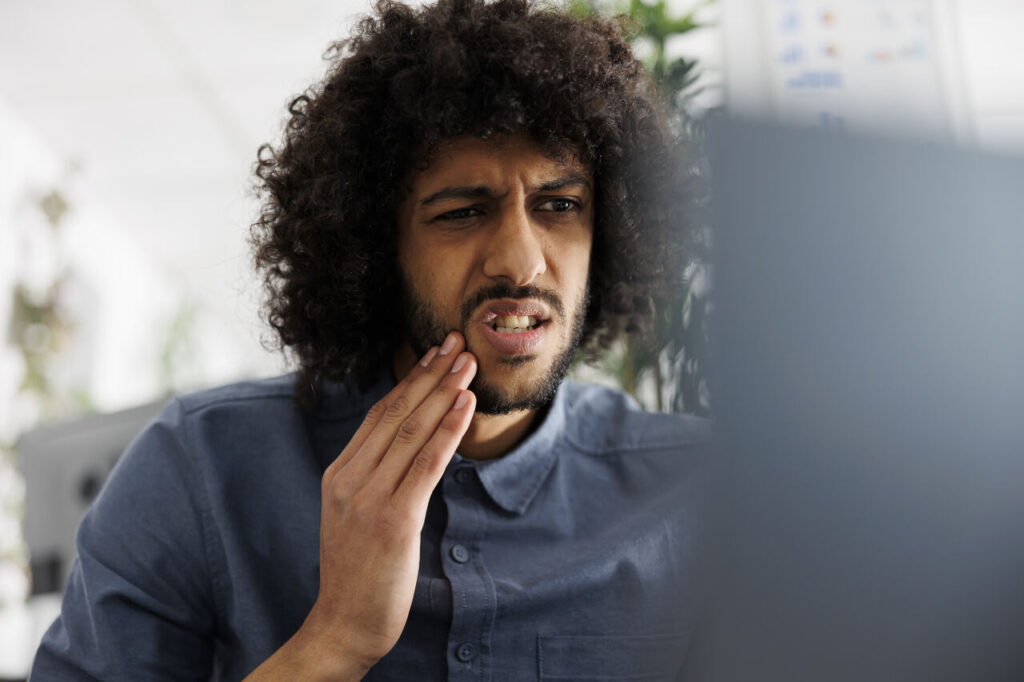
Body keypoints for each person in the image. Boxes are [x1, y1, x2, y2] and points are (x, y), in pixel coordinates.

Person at [31, 0, 709, 678]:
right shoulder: (201, 469)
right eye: (464, 211)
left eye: (559, 206)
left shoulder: (700, 498)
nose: (521, 261)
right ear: (378, 247)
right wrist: (335, 639)